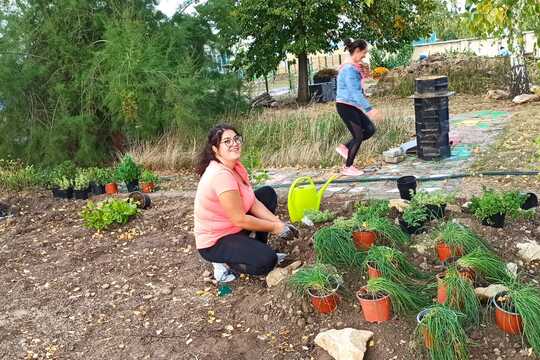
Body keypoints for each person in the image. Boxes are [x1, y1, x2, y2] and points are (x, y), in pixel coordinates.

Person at [194, 124, 297, 282]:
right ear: (215, 149)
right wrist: (275, 228)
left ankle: (254, 247)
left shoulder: (235, 167)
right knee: (268, 261)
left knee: (267, 194)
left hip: (232, 227)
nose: (234, 143)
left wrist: (278, 223)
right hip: (216, 241)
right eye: (227, 141)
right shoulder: (220, 175)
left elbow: (253, 202)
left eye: (236, 139)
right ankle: (226, 262)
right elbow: (239, 219)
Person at [335, 39, 382, 176]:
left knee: (370, 129)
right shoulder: (349, 69)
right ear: (356, 51)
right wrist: (369, 109)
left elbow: (358, 85)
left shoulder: (351, 65)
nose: (365, 56)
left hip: (352, 105)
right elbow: (355, 92)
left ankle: (344, 147)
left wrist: (364, 72)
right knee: (358, 136)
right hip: (346, 106)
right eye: (364, 52)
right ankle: (348, 167)